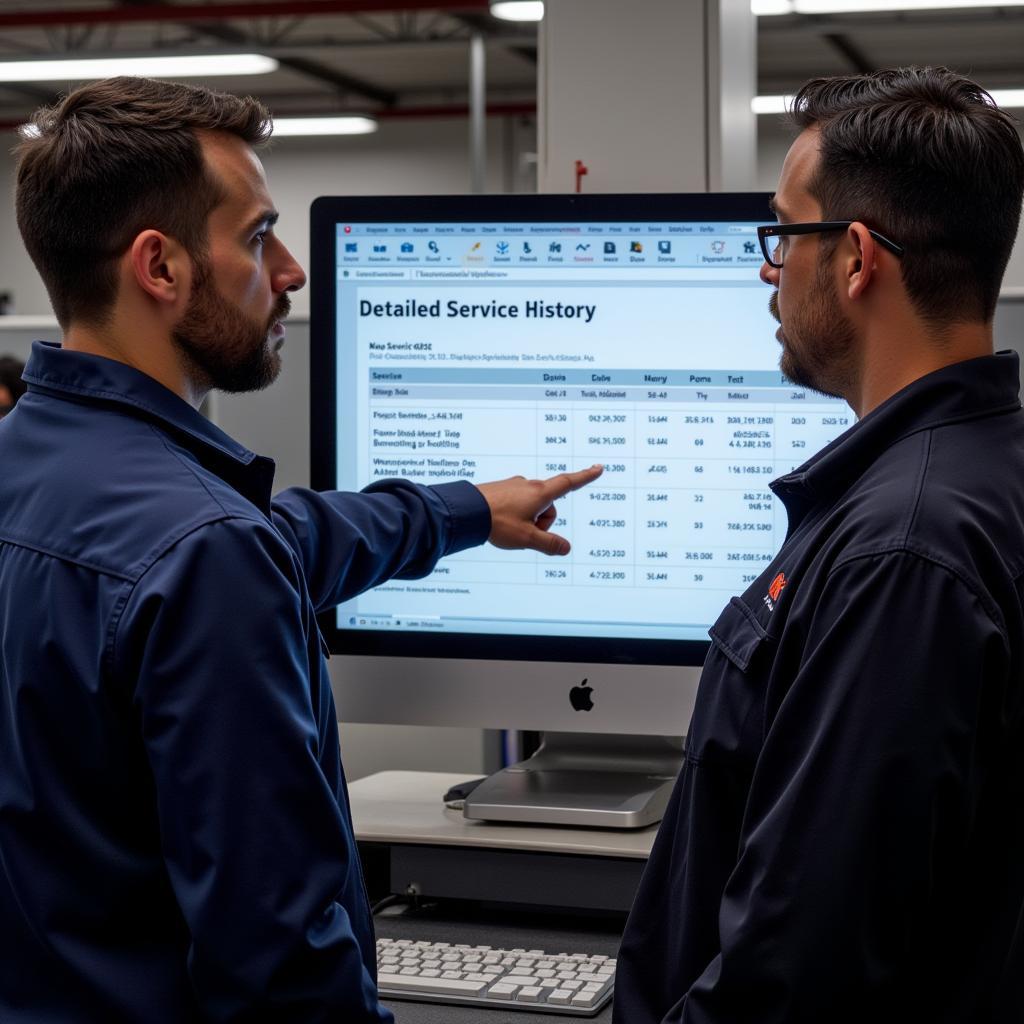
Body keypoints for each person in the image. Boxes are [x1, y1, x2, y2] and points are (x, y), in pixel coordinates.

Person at [0, 77, 601, 1022]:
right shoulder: (203, 553)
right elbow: (278, 961)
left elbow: (281, 540)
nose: (289, 269)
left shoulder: (43, 479)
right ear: (159, 267)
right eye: (256, 236)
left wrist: (469, 509)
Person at [614, 66, 1024, 1024]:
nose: (768, 268)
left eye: (782, 233)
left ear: (854, 259)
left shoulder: (902, 553)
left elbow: (800, 971)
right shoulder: (975, 481)